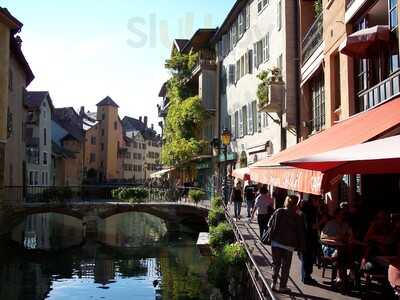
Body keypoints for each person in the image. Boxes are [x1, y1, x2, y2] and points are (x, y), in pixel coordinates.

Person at [268, 195, 305, 292]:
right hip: (289, 244)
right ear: (296, 204)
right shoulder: (298, 216)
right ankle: (282, 286)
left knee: (276, 264)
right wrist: (301, 246)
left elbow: (270, 224)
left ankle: (273, 283)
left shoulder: (279, 211)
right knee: (285, 266)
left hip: (276, 242)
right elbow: (300, 232)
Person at [321, 208, 354, 286]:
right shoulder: (330, 224)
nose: (342, 216)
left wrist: (349, 236)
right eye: (341, 214)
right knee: (340, 253)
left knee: (344, 252)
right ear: (336, 215)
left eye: (344, 214)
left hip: (340, 247)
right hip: (329, 246)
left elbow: (351, 236)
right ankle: (343, 278)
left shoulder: (345, 225)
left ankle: (342, 278)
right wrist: (335, 239)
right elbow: (322, 238)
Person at [299, 197, 320, 285]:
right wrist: (322, 221)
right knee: (307, 258)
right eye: (318, 200)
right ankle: (306, 277)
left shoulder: (306, 211)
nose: (319, 202)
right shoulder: (310, 212)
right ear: (313, 201)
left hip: (305, 238)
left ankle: (305, 277)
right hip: (308, 239)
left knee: (306, 258)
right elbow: (311, 227)